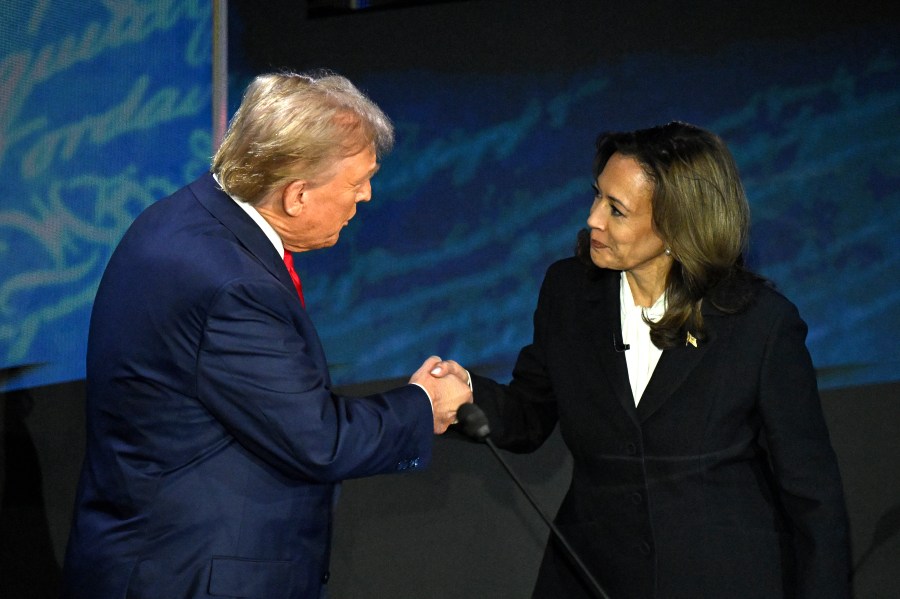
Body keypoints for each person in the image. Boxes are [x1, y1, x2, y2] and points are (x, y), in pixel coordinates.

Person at [60, 71, 472, 599]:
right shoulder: (233, 285)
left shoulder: (186, 216)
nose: (366, 196)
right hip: (192, 575)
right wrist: (424, 404)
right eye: (356, 183)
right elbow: (319, 440)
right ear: (296, 195)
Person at [435, 122, 850, 598]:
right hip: (592, 577)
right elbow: (529, 414)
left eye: (617, 209)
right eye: (597, 197)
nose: (593, 218)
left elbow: (813, 495)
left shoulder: (760, 324)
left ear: (677, 225)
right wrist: (465, 394)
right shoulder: (568, 292)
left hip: (720, 579)